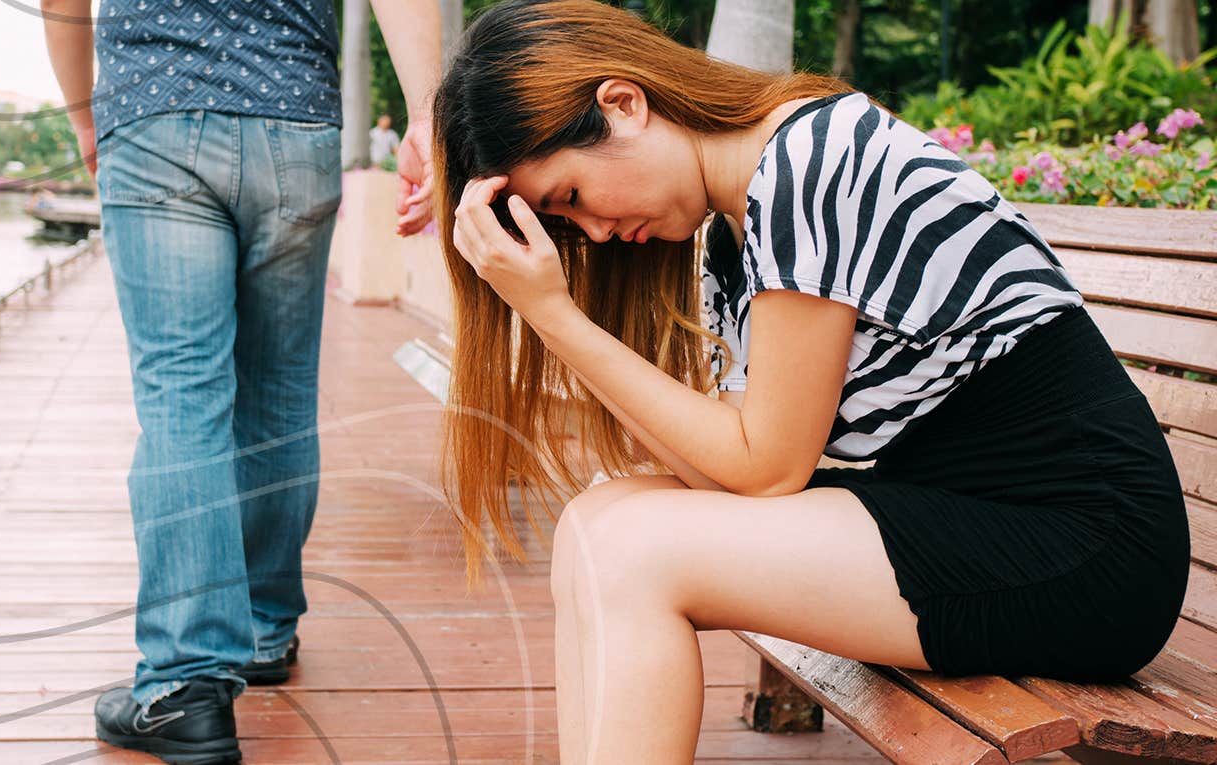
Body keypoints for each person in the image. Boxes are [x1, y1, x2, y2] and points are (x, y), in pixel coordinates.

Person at [431, 1, 1190, 763]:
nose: (592, 233)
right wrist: (558, 321)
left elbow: (765, 470)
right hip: (971, 515)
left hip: (1084, 541)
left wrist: (554, 317)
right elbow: (731, 472)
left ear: (624, 103)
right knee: (597, 521)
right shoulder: (738, 226)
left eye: (570, 197)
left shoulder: (806, 163)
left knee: (632, 548)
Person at [40, 0, 439, 762]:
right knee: (280, 394)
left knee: (182, 397)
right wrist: (425, 112)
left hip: (154, 109)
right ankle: (260, 629)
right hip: (295, 119)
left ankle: (185, 682)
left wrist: (85, 113)